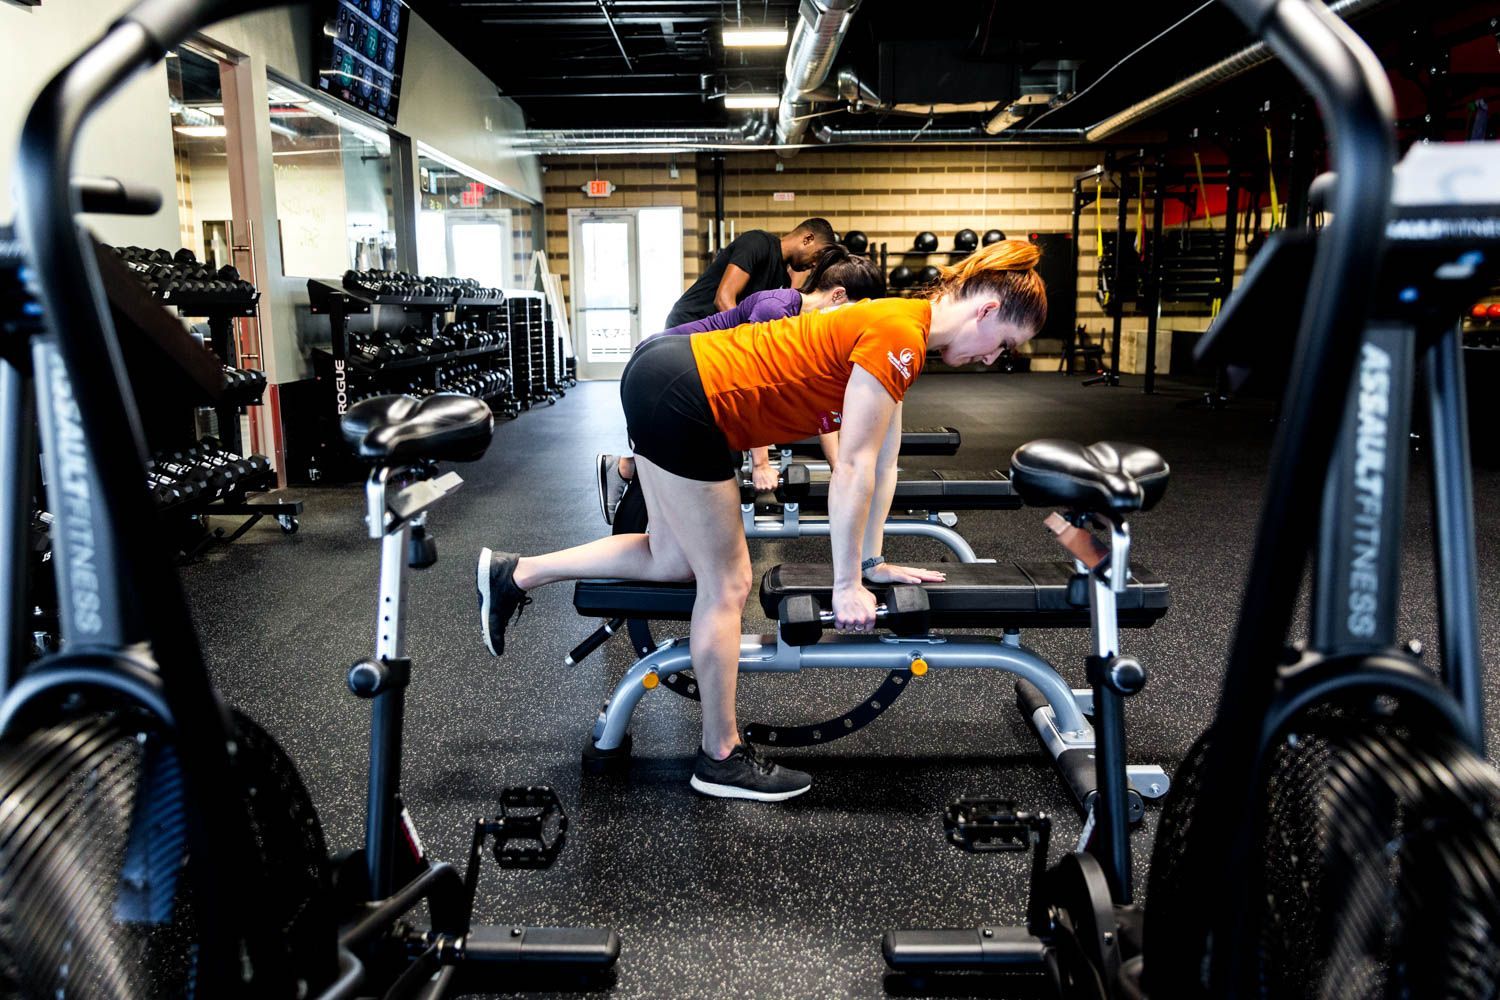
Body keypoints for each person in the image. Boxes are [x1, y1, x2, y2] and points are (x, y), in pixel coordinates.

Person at [479, 240, 1046, 802]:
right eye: (1003, 345)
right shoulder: (900, 332)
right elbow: (851, 467)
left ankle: (516, 573)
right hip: (686, 394)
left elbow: (882, 463)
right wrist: (847, 584)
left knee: (671, 558)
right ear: (987, 311)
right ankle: (720, 755)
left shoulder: (902, 329)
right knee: (728, 582)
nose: (994, 359)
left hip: (668, 380)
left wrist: (873, 564)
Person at [598, 245, 885, 522]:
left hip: (686, 382)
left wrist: (839, 470)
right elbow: (754, 385)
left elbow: (823, 406)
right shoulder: (777, 308)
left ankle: (627, 474)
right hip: (664, 375)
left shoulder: (807, 328)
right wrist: (760, 463)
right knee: (662, 482)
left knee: (667, 475)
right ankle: (625, 473)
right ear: (838, 296)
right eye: (857, 313)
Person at [663, 218, 836, 328]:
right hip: (688, 323)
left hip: (715, 332)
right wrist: (748, 339)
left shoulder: (782, 277)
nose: (814, 265)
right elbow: (723, 298)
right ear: (807, 239)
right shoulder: (758, 242)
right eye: (818, 256)